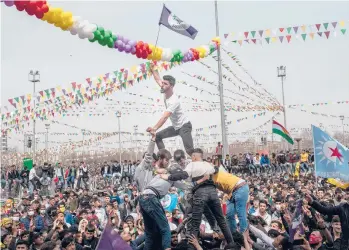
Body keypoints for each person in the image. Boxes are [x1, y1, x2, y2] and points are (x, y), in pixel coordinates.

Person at [138, 147, 187, 250]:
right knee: (165, 228)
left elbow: (184, 185)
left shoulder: (163, 175)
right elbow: (185, 185)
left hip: (143, 198)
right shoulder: (167, 174)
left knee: (150, 233)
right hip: (151, 198)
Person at [147, 64, 194, 156]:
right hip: (175, 127)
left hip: (184, 126)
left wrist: (154, 128)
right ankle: (165, 157)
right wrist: (153, 68)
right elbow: (157, 78)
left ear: (171, 86)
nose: (162, 85)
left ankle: (201, 164)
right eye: (163, 83)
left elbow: (165, 117)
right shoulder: (164, 89)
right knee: (157, 137)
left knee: (190, 150)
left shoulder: (174, 101)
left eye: (165, 84)